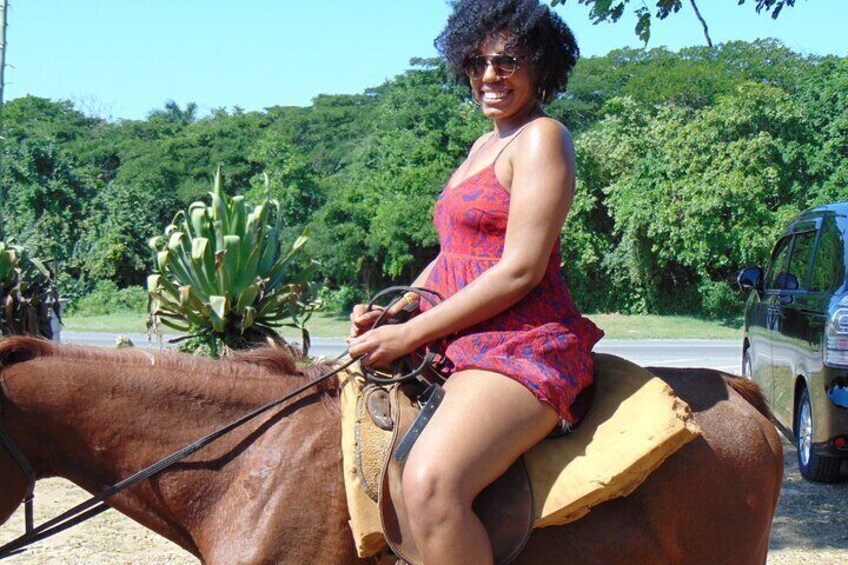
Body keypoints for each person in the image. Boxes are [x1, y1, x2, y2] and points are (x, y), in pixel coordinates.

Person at [348, 1, 603, 562]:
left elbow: (520, 269)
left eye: (508, 61)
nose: (490, 75)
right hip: (461, 339)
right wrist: (396, 312)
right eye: (477, 62)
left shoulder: (542, 138)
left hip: (522, 343)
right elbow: (452, 255)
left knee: (431, 484)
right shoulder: (482, 146)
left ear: (541, 66)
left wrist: (409, 338)